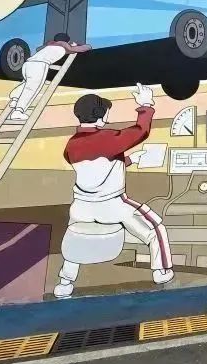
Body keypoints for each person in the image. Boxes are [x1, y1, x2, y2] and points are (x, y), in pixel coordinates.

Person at [57, 85, 174, 297]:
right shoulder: (108, 138)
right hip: (112, 206)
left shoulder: (71, 145)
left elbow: (95, 167)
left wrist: (127, 160)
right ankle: (161, 271)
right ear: (100, 116)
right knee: (155, 229)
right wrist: (146, 104)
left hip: (81, 207)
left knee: (75, 242)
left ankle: (65, 282)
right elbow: (141, 131)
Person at [7, 37, 92, 122]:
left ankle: (15, 99)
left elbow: (40, 48)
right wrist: (85, 46)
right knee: (32, 88)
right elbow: (78, 49)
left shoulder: (49, 46)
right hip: (39, 65)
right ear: (67, 41)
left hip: (28, 64)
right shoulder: (63, 45)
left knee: (27, 83)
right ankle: (18, 111)